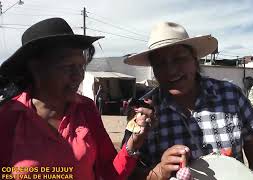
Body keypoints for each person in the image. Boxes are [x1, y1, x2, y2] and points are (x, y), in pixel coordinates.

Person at [0, 18, 153, 180]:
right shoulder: (8, 117)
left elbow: (109, 173)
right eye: (68, 67)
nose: (78, 76)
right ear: (36, 68)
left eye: (81, 66)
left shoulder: (86, 109)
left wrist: (133, 144)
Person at [123, 22, 253, 180]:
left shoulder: (230, 96)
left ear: (195, 61)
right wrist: (159, 171)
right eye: (160, 63)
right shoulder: (142, 111)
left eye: (179, 58)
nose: (171, 70)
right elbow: (126, 171)